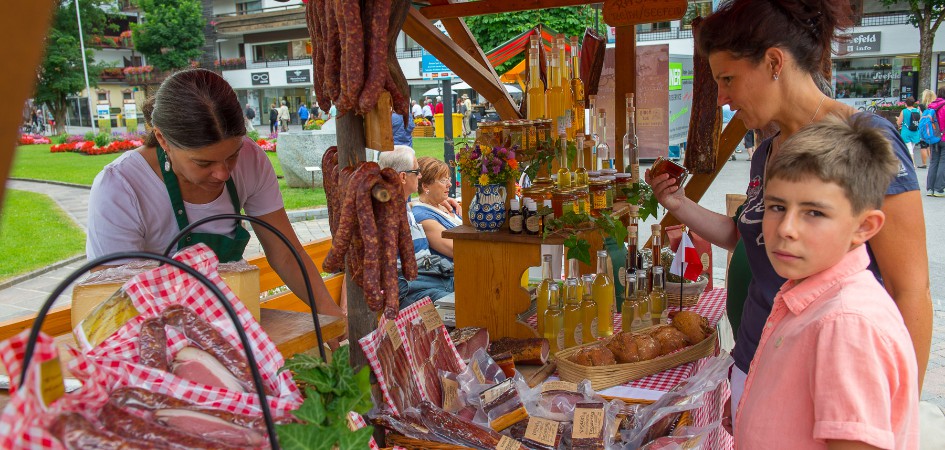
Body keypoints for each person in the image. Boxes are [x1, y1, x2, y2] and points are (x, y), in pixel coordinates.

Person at [647, 0, 929, 428]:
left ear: (774, 62)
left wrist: (897, 411)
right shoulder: (765, 151)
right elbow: (745, 235)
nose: (721, 99)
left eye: (728, 79)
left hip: (831, 380)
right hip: (756, 358)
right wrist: (679, 206)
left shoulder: (863, 140)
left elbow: (910, 291)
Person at [86, 69, 345, 320]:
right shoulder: (120, 188)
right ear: (163, 140)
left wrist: (329, 314)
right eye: (203, 163)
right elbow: (115, 298)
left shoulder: (251, 160)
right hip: (148, 331)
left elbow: (285, 253)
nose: (222, 173)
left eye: (231, 156)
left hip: (231, 320)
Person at [736, 114, 918, 449]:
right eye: (777, 206)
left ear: (864, 227)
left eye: (814, 213)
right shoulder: (810, 292)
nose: (786, 228)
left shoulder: (846, 324)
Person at [378, 145, 454, 306]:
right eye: (416, 172)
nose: (420, 176)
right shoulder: (385, 212)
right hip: (413, 287)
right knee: (471, 306)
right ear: (403, 177)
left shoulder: (401, 205)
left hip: (431, 277)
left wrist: (432, 203)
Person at [411, 157, 462, 262]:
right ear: (425, 186)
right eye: (443, 180)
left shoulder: (445, 205)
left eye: (449, 179)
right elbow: (456, 250)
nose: (449, 184)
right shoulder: (422, 216)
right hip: (457, 273)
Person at [926, 87, 945, 196]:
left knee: (933, 162)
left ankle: (930, 188)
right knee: (943, 162)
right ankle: (939, 189)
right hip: (943, 137)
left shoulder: (932, 106)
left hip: (933, 137)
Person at [897, 96, 921, 168]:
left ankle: (912, 164)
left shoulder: (904, 111)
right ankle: (910, 162)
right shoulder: (918, 111)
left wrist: (898, 121)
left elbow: (899, 122)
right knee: (911, 148)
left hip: (906, 131)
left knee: (909, 149)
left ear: (906, 103)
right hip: (915, 131)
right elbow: (921, 120)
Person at [918, 89, 935, 167]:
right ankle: (932, 161)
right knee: (930, 146)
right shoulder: (934, 106)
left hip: (924, 129)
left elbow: (919, 116)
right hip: (933, 129)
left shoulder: (922, 106)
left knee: (923, 146)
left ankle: (924, 163)